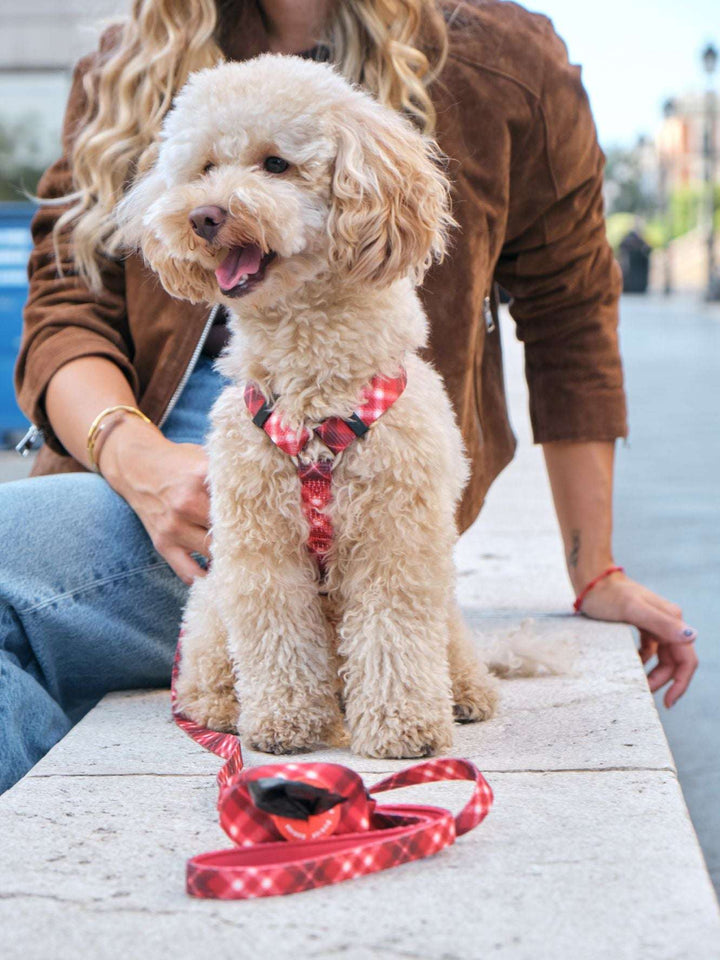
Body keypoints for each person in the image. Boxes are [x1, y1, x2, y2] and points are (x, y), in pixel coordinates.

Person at [2, 0, 697, 793]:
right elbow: (63, 309)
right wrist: (140, 461)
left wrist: (592, 567)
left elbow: (570, 316)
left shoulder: (503, 56)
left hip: (359, 492)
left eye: (273, 166)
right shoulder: (130, 56)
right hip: (142, 489)